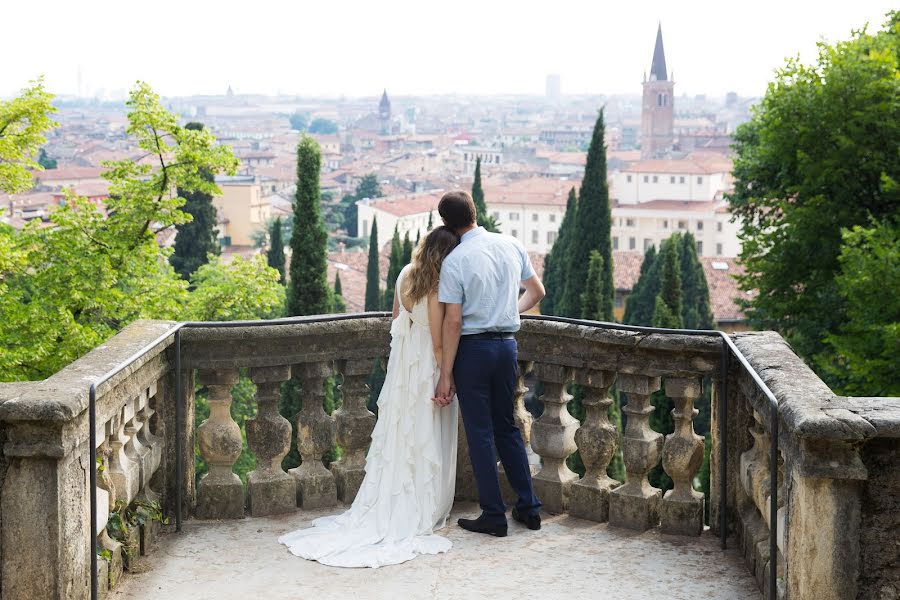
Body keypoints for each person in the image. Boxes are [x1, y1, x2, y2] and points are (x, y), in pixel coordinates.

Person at [278, 226, 461, 568]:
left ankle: (394, 499)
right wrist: (446, 377)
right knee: (427, 432)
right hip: (427, 366)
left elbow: (395, 322)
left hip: (405, 363)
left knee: (402, 431)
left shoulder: (405, 275)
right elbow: (438, 342)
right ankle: (424, 502)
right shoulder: (438, 288)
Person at [433, 191, 545, 537]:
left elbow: (452, 322)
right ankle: (529, 508)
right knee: (508, 427)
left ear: (446, 224)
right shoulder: (511, 244)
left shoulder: (455, 260)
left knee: (480, 434)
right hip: (507, 347)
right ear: (476, 212)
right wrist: (509, 312)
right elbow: (537, 291)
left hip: (474, 351)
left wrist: (446, 374)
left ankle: (494, 514)